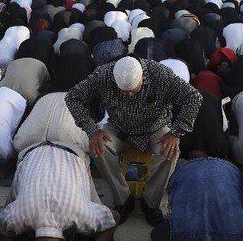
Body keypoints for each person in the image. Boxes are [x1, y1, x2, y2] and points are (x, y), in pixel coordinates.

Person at [65, 56, 202, 225]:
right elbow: (72, 97)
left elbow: (194, 97)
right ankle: (123, 199)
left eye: (133, 90)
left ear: (143, 76)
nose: (128, 95)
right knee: (98, 147)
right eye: (123, 91)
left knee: (170, 151)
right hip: (119, 128)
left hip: (155, 129)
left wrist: (176, 132)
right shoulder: (103, 75)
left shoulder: (160, 75)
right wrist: (91, 129)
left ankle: (151, 203)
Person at [0, 92, 118, 240]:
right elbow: (2, 227)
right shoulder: (16, 217)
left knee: (94, 144)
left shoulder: (82, 215)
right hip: (34, 137)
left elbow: (113, 218)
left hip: (66, 134)